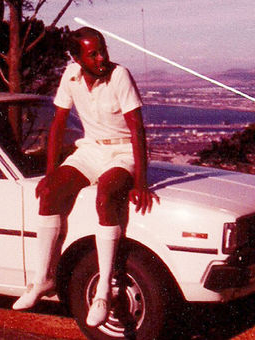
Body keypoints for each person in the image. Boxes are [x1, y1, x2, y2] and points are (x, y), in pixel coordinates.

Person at [12, 27, 159, 327]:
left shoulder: (120, 76)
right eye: (93, 53)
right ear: (76, 57)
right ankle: (42, 279)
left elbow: (136, 129)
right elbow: (57, 125)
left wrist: (141, 183)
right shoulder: (70, 76)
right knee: (50, 194)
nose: (101, 57)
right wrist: (51, 174)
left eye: (103, 49)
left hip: (122, 153)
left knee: (105, 194)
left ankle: (103, 290)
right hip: (90, 150)